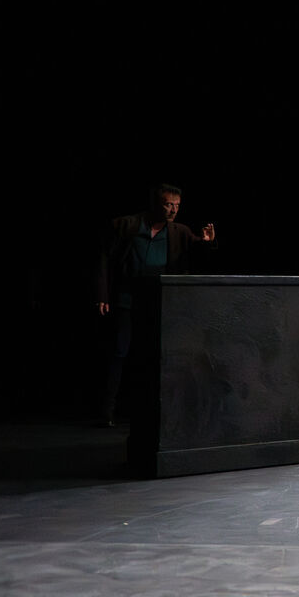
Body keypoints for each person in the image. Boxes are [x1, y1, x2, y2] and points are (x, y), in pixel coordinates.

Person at [95, 183, 217, 427]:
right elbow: (104, 258)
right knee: (119, 352)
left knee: (155, 356)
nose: (173, 210)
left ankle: (151, 410)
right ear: (155, 204)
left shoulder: (179, 231)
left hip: (159, 303)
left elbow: (199, 256)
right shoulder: (127, 225)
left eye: (177, 205)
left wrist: (206, 242)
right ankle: (106, 410)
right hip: (127, 299)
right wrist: (102, 294)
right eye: (168, 204)